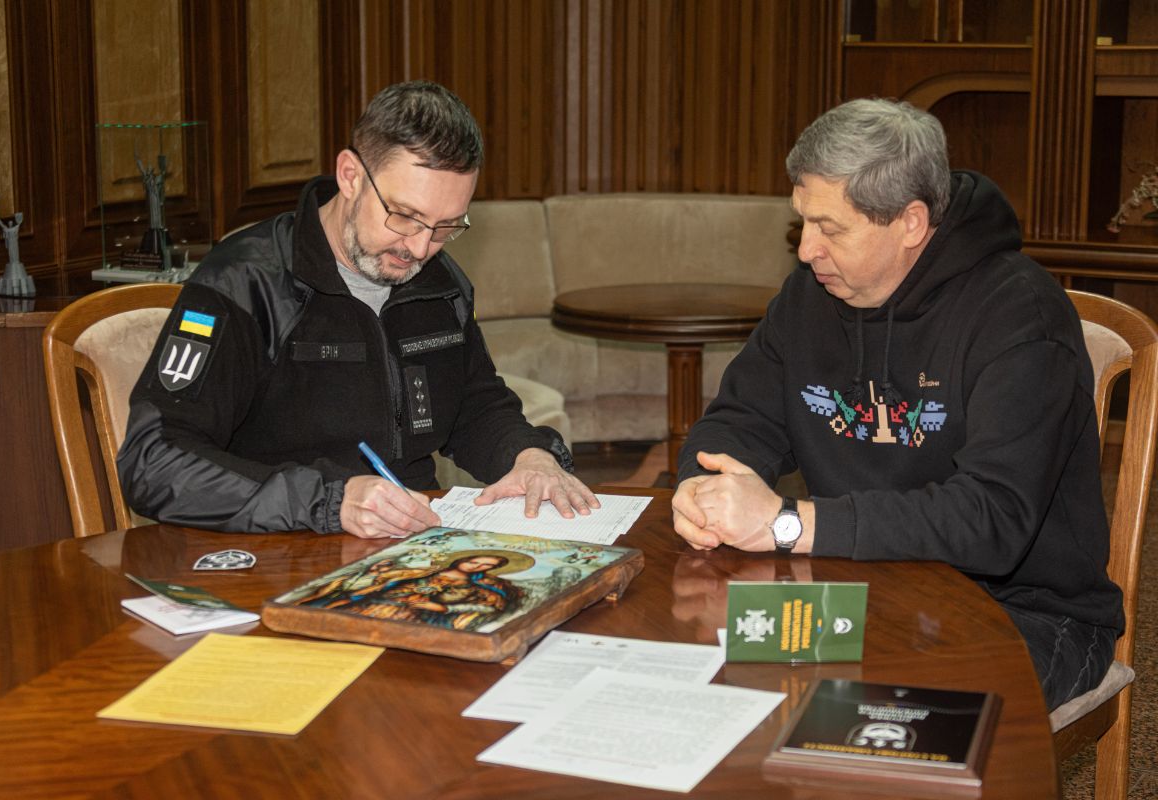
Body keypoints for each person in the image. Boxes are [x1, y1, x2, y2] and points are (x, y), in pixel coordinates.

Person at [672, 98, 1122, 711]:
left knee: (870, 713)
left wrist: (786, 523)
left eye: (831, 228)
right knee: (699, 662)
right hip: (854, 583)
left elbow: (992, 519)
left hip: (1025, 612)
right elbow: (739, 420)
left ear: (911, 222)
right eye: (803, 222)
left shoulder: (1021, 315)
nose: (806, 250)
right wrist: (704, 487)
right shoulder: (808, 297)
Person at [118, 80, 598, 538]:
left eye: (447, 226)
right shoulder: (243, 284)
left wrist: (527, 455)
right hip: (276, 548)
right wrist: (331, 500)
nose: (420, 247)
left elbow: (473, 404)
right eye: (405, 216)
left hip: (411, 546)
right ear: (350, 175)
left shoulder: (440, 284)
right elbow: (153, 461)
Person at [301, 554, 521, 630]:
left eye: (486, 566)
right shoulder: (420, 571)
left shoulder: (484, 587)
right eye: (474, 561)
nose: (477, 566)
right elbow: (378, 582)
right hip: (375, 602)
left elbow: (490, 607)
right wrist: (376, 575)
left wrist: (442, 607)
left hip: (413, 614)